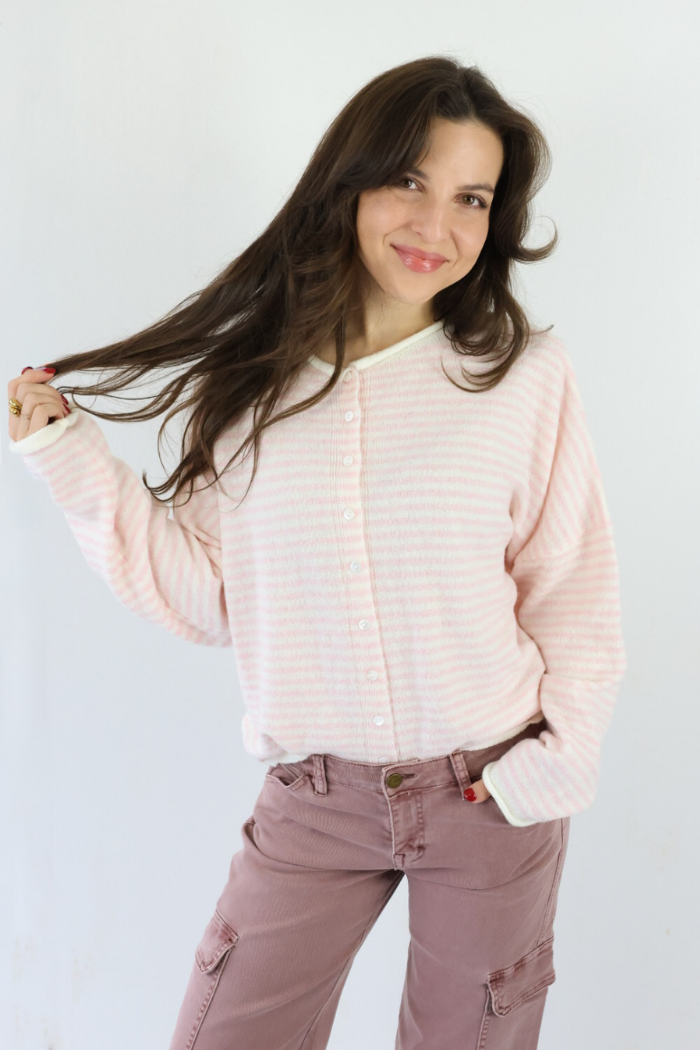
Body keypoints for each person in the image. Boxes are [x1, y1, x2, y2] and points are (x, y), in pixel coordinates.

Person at [6, 56, 626, 1050]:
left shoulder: (522, 378)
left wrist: (552, 769)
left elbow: (573, 590)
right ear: (350, 182)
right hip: (316, 800)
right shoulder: (252, 388)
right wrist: (71, 459)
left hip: (491, 792)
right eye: (410, 181)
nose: (436, 226)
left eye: (471, 198)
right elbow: (210, 598)